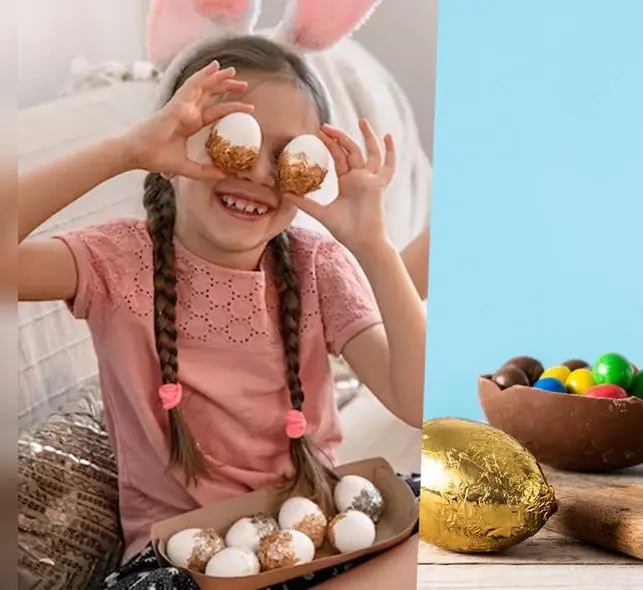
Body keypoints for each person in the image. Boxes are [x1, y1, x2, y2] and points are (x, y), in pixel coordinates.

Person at [17, 31, 424, 589]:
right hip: (184, 564)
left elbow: (419, 401)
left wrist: (373, 245)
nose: (259, 172)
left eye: (288, 156)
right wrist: (126, 151)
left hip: (323, 538)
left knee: (453, 508)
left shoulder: (316, 266)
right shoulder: (117, 263)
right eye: (232, 140)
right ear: (175, 146)